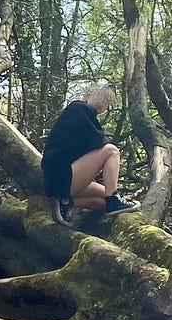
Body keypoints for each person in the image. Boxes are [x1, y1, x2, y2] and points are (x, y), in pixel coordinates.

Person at [41, 83, 141, 224]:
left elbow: (86, 149)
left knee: (104, 197)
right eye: (99, 95)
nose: (102, 99)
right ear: (87, 96)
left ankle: (66, 203)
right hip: (62, 177)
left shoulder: (79, 116)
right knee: (112, 151)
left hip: (59, 181)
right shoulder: (78, 108)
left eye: (106, 99)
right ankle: (113, 200)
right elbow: (99, 142)